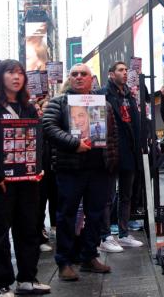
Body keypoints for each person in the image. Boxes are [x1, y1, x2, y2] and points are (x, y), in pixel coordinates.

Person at [0, 60, 50, 296]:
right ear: (1, 77)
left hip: (28, 182)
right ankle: (1, 284)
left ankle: (27, 279)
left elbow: (36, 142)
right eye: (10, 73)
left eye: (20, 73)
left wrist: (37, 168)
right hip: (0, 184)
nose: (16, 77)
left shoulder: (28, 108)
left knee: (29, 230)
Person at [43, 64, 118, 281]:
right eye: (74, 74)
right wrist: (73, 143)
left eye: (83, 74)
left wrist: (112, 163)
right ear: (69, 78)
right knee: (66, 215)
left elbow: (112, 136)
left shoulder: (103, 104)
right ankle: (64, 260)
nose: (78, 77)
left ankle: (89, 256)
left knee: (96, 215)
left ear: (91, 79)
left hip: (98, 169)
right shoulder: (58, 102)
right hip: (70, 169)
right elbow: (48, 126)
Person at [98, 62, 143, 253]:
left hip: (130, 150)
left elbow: (136, 122)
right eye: (120, 70)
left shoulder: (129, 95)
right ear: (111, 74)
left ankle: (123, 234)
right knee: (107, 195)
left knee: (126, 195)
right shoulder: (102, 94)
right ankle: (105, 236)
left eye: (126, 70)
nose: (125, 73)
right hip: (111, 150)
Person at [36, 98, 56, 253]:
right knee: (40, 203)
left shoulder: (53, 125)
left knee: (55, 199)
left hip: (53, 169)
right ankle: (40, 232)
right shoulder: (37, 126)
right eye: (43, 108)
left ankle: (54, 226)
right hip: (40, 170)